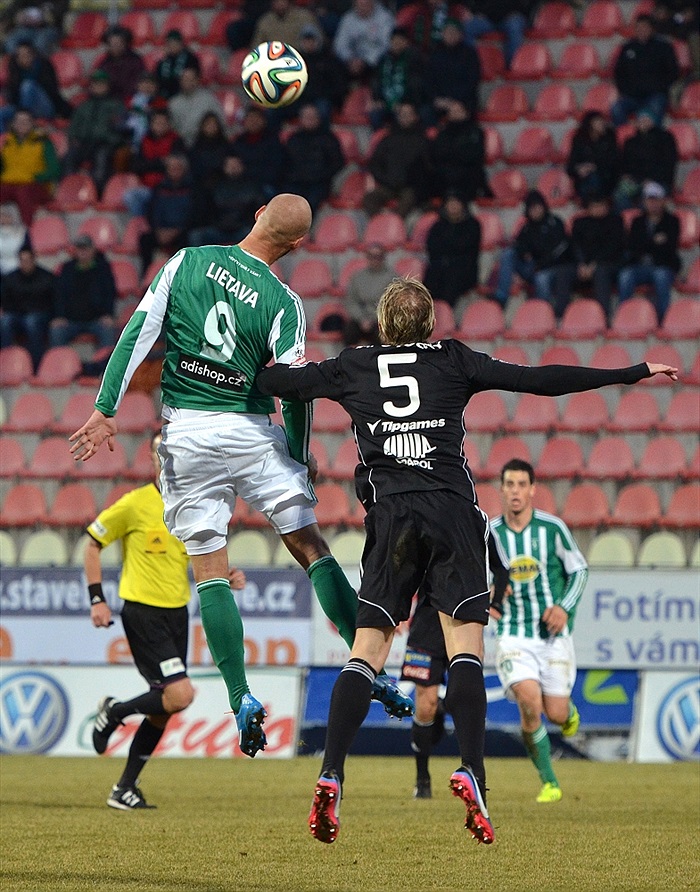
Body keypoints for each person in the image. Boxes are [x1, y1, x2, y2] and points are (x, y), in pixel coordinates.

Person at [255, 276, 677, 845]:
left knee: (368, 650)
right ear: (430, 325)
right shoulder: (453, 360)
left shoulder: (352, 365)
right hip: (453, 513)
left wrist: (204, 363)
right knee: (465, 648)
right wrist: (630, 371)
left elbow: (276, 380)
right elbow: (540, 381)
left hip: (392, 515)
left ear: (382, 325)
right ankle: (472, 771)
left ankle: (331, 770)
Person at [68, 194, 414, 759]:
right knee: (312, 550)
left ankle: (240, 697)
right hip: (252, 431)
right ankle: (368, 661)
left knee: (210, 569)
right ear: (298, 245)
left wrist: (107, 407)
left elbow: (137, 332)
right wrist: (298, 454)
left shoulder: (186, 262)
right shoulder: (284, 301)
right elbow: (295, 387)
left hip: (187, 434)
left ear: (255, 214)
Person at [85, 431, 247, 809]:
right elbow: (92, 542)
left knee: (166, 705)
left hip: (177, 612)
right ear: (152, 459)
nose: (166, 458)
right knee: (180, 693)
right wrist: (97, 599)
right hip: (143, 611)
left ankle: (124, 787)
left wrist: (225, 575)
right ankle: (117, 711)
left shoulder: (190, 503)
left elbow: (198, 555)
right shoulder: (135, 504)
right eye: (160, 452)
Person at [491, 458, 586, 803]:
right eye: (509, 484)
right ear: (501, 490)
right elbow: (476, 577)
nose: (515, 491)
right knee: (529, 703)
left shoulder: (552, 529)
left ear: (532, 489)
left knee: (557, 714)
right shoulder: (491, 534)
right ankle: (549, 781)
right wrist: (490, 593)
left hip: (551, 636)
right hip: (513, 634)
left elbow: (579, 570)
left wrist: (563, 607)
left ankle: (569, 714)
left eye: (521, 484)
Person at [401, 536, 511, 799]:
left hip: (465, 624)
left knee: (465, 696)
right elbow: (404, 569)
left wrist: (494, 605)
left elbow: (502, 567)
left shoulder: (478, 521)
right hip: (427, 626)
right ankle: (422, 777)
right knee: (424, 705)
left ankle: (473, 774)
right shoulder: (426, 518)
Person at [492, 190, 576, 317]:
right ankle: (501, 297)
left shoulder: (555, 223)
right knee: (508, 253)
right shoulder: (526, 228)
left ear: (543, 206)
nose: (535, 211)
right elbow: (518, 245)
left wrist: (539, 264)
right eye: (531, 208)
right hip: (531, 267)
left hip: (551, 268)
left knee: (541, 278)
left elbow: (561, 250)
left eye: (537, 207)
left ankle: (542, 315)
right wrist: (524, 253)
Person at [618, 181, 681, 324]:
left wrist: (646, 243)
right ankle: (623, 317)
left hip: (663, 265)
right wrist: (654, 242)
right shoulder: (637, 222)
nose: (653, 204)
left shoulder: (672, 221)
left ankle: (664, 320)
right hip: (639, 265)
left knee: (661, 276)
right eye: (649, 200)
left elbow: (669, 248)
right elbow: (633, 246)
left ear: (663, 201)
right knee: (625, 276)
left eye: (656, 200)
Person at [63, 69, 127, 195]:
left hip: (105, 144)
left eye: (102, 84)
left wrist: (112, 140)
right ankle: (68, 192)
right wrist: (73, 140)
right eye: (95, 84)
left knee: (101, 161)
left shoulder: (117, 106)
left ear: (108, 86)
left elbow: (123, 130)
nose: (98, 87)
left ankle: (98, 193)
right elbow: (73, 127)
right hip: (84, 143)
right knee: (68, 159)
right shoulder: (83, 106)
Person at [50, 234, 117, 350]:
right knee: (57, 330)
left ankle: (106, 366)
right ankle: (59, 365)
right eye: (80, 249)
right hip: (71, 320)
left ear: (93, 249)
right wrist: (59, 316)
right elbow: (59, 295)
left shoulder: (103, 269)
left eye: (86, 248)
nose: (83, 252)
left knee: (108, 329)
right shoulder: (67, 269)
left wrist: (108, 314)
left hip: (97, 319)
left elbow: (110, 293)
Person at [363, 101, 429, 217]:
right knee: (369, 198)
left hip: (410, 188)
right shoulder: (388, 139)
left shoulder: (423, 141)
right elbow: (374, 164)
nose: (405, 118)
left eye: (409, 114)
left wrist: (412, 183)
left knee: (408, 199)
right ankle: (380, 224)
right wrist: (386, 179)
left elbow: (427, 168)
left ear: (415, 117)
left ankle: (394, 228)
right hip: (388, 185)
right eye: (402, 114)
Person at [611, 14, 679, 126]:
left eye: (645, 27)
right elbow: (619, 72)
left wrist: (659, 87)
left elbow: (673, 72)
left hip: (655, 95)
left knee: (647, 115)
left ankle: (652, 140)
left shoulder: (664, 47)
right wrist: (625, 90)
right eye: (638, 28)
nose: (641, 30)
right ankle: (625, 139)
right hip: (631, 96)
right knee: (616, 109)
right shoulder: (628, 48)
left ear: (652, 29)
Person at [137, 152, 199, 275]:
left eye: (177, 168)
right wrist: (158, 230)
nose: (174, 171)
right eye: (171, 168)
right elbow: (151, 212)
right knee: (145, 239)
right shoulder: (159, 188)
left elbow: (196, 215)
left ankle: (185, 275)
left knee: (191, 239)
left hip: (182, 231)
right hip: (161, 231)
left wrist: (176, 231)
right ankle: (146, 275)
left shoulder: (194, 189)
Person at [571, 194, 626, 323]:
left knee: (601, 272)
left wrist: (594, 264)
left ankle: (603, 317)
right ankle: (561, 317)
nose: (598, 209)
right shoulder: (579, 223)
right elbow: (574, 246)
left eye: (601, 205)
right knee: (562, 273)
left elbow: (613, 248)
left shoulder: (616, 221)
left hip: (610, 264)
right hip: (583, 265)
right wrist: (581, 264)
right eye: (594, 206)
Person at [280, 103, 344, 213]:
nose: (310, 120)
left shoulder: (329, 139)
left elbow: (337, 162)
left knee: (309, 204)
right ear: (300, 119)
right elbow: (284, 162)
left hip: (318, 182)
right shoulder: (293, 139)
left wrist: (321, 175)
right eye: (306, 117)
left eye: (312, 117)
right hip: (295, 181)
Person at [0, 108, 60, 225]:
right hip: (10, 182)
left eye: (25, 121)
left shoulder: (44, 142)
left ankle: (27, 230)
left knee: (24, 192)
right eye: (18, 121)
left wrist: (34, 177)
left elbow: (54, 170)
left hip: (36, 185)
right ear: (13, 124)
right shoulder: (7, 143)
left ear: (32, 124)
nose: (21, 125)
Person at [0, 243, 55, 369]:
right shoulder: (10, 278)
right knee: (5, 322)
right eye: (22, 260)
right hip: (17, 315)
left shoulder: (46, 277)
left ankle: (36, 365)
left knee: (32, 322)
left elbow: (52, 302)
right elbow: (6, 302)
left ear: (34, 260)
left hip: (40, 315)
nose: (25, 263)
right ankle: (5, 365)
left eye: (28, 260)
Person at [423, 192, 481, 309]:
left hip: (464, 268)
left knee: (452, 276)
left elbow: (465, 247)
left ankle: (445, 312)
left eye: (456, 203)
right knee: (431, 276)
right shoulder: (438, 225)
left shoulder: (473, 225)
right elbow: (432, 247)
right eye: (450, 203)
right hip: (440, 265)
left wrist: (448, 247)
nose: (453, 206)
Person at [0, 40, 72, 133]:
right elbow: (12, 95)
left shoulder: (44, 65)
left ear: (33, 54)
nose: (23, 58)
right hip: (20, 107)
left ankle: (24, 118)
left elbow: (53, 91)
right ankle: (5, 142)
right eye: (19, 56)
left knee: (28, 86)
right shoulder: (14, 68)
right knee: (1, 114)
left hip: (46, 106)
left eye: (26, 55)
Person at [427, 99, 489, 202]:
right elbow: (437, 154)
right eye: (452, 112)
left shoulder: (475, 132)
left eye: (458, 111)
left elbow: (474, 156)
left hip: (467, 175)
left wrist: (453, 154)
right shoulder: (442, 133)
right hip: (445, 176)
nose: (455, 114)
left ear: (466, 113)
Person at [614, 112, 678, 210]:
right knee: (619, 195)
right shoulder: (630, 142)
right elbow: (625, 165)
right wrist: (632, 178)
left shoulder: (665, 139)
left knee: (648, 198)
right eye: (641, 120)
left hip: (658, 181)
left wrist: (651, 179)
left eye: (647, 119)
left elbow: (668, 165)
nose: (643, 122)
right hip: (635, 180)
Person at [424, 18, 481, 122]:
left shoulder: (469, 54)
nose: (451, 35)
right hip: (440, 100)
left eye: (454, 32)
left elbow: (472, 81)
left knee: (463, 112)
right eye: (448, 32)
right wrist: (437, 99)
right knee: (426, 112)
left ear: (461, 34)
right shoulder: (435, 53)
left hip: (464, 100)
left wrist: (455, 101)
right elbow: (429, 81)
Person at [368, 27, 425, 131]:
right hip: (385, 102)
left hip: (406, 102)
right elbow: (376, 80)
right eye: (394, 40)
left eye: (400, 40)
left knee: (402, 115)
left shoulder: (414, 59)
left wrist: (405, 103)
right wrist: (377, 99)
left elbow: (416, 84)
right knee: (375, 114)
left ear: (406, 42)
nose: (396, 43)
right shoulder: (383, 59)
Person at [343, 243, 395, 346]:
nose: (375, 260)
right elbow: (351, 301)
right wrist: (361, 318)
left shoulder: (393, 278)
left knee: (384, 334)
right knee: (348, 331)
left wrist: (373, 319)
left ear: (383, 258)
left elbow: (392, 305)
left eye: (378, 257)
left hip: (381, 320)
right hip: (360, 319)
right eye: (371, 256)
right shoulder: (357, 277)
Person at [333, 0, 395, 85]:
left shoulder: (385, 18)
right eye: (359, 4)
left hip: (375, 62)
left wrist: (366, 61)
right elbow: (339, 44)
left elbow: (386, 44)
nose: (362, 7)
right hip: (351, 62)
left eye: (366, 4)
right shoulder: (348, 18)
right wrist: (349, 59)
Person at [565, 111, 619, 204]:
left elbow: (614, 161)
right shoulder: (579, 140)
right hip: (584, 180)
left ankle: (593, 204)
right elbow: (570, 166)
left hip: (607, 178)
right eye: (598, 121)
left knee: (593, 178)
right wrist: (579, 169)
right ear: (590, 124)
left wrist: (594, 167)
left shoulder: (610, 138)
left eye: (603, 121)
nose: (602, 124)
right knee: (588, 179)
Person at [463, 0, 535, 69]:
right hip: (487, 17)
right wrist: (475, 11)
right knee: (467, 28)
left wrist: (523, 13)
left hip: (513, 17)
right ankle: (470, 63)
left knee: (514, 27)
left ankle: (511, 65)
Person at [168, 67, 225, 151]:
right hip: (181, 146)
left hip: (205, 145)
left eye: (191, 79)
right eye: (185, 79)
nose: (188, 82)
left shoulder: (208, 99)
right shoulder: (173, 103)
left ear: (197, 80)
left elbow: (220, 121)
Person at [93, 24, 145, 104]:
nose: (115, 46)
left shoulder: (135, 61)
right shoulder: (104, 63)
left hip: (130, 100)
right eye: (111, 43)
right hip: (109, 101)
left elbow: (138, 84)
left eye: (118, 43)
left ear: (125, 43)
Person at [252, 0, 321, 48]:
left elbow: (318, 42)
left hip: (301, 60)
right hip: (273, 62)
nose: (279, 3)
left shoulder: (305, 17)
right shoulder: (265, 21)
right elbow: (256, 46)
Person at [155, 29, 200, 101]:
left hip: (185, 95)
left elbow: (195, 78)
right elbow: (157, 79)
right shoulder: (162, 62)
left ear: (181, 44)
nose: (172, 46)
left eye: (175, 43)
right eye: (169, 43)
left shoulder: (191, 59)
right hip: (165, 96)